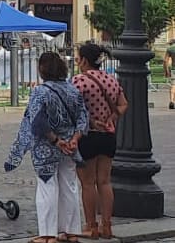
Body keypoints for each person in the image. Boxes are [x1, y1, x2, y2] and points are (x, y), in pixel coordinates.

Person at [5, 51, 89, 243]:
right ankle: (70, 231)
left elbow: (37, 122)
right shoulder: (72, 90)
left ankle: (47, 234)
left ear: (42, 70)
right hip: (71, 146)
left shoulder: (40, 92)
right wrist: (75, 139)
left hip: (47, 146)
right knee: (69, 185)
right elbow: (83, 118)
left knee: (47, 186)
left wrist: (56, 141)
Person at [74, 42, 127, 239]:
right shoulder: (112, 80)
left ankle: (91, 226)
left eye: (79, 59)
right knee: (104, 181)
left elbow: (74, 109)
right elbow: (123, 104)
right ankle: (107, 225)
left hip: (88, 136)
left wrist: (92, 122)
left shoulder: (79, 81)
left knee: (87, 183)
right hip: (108, 136)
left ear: (85, 60)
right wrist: (112, 118)